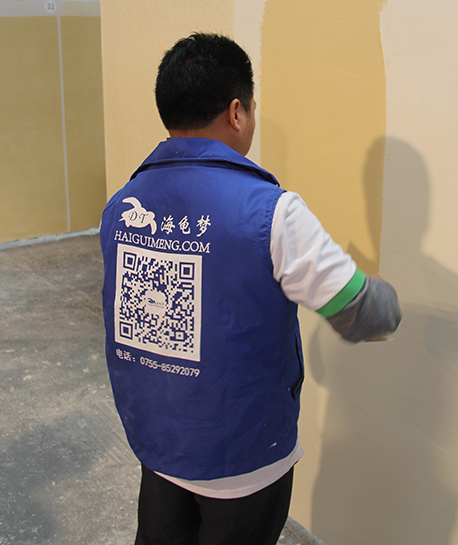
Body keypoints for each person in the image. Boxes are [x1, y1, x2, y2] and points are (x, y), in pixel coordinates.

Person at [100, 33, 401, 545]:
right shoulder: (272, 213)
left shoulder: (122, 204)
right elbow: (365, 315)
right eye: (252, 108)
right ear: (236, 112)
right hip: (242, 463)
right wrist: (401, 302)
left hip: (157, 443)